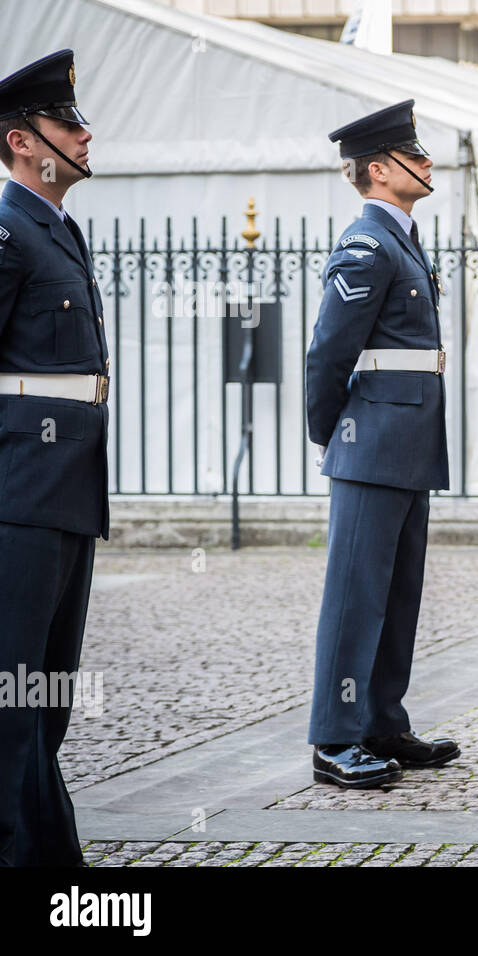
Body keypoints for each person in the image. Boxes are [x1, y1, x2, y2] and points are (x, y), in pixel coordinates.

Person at [304, 100, 458, 789]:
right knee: (355, 596)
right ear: (377, 170)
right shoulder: (367, 243)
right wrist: (331, 434)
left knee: (397, 593)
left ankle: (382, 722)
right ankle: (335, 738)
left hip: (405, 442)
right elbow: (328, 352)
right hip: (370, 443)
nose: (427, 163)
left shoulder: (401, 240)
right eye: (413, 155)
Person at [0, 49, 106, 868]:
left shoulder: (55, 227)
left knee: (51, 691)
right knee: (13, 692)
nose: (83, 132)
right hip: (20, 488)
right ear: (20, 140)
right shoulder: (9, 228)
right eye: (66, 122)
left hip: (65, 487)